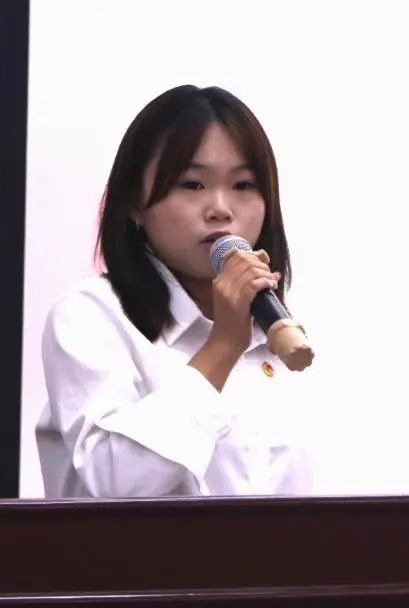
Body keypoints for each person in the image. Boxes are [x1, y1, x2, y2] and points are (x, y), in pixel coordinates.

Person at [35, 85, 317, 498]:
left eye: (243, 185)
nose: (221, 209)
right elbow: (114, 485)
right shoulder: (90, 317)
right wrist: (223, 346)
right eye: (192, 184)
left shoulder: (282, 332)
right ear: (135, 202)